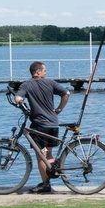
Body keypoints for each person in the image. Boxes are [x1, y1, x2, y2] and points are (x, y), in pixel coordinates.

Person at [15, 61, 70, 194]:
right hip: (53, 123)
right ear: (38, 71)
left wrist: (20, 102)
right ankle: (54, 169)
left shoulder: (27, 84)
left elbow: (18, 98)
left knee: (41, 155)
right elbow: (66, 93)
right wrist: (59, 109)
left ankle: (46, 184)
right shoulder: (50, 83)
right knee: (48, 153)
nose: (46, 72)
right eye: (44, 70)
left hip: (40, 125)